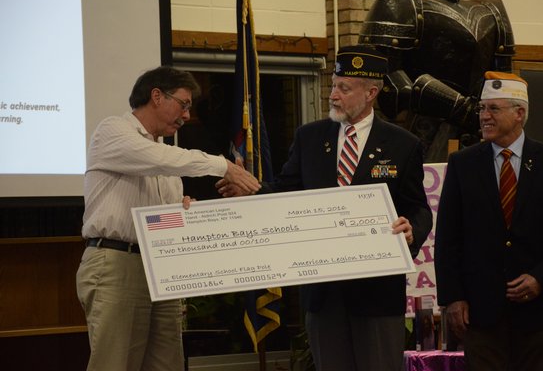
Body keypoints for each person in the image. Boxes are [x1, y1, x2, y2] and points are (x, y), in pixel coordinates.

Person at [219, 45, 432, 371]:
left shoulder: (403, 144)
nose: (332, 95)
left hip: (376, 295)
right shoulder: (310, 138)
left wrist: (412, 229)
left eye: (343, 88)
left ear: (371, 92)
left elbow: (417, 207)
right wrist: (249, 191)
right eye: (333, 84)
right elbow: (284, 193)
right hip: (324, 295)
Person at [76, 66, 260, 371]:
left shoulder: (164, 153)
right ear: (157, 96)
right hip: (117, 263)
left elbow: (162, 218)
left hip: (161, 268)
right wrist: (222, 165)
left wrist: (188, 211)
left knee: (167, 364)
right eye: (184, 104)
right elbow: (158, 160)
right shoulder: (113, 131)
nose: (187, 115)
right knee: (115, 364)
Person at [434, 71, 543, 371]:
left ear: (519, 114)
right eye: (481, 109)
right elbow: (448, 238)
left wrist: (541, 278)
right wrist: (452, 298)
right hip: (479, 314)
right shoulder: (462, 164)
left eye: (493, 109)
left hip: (537, 313)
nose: (484, 116)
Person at [359, 0, 515, 162]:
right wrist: (459, 107)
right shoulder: (399, 4)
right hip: (422, 131)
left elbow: (504, 86)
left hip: (480, 130)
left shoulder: (493, 13)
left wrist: (483, 114)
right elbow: (389, 84)